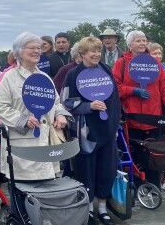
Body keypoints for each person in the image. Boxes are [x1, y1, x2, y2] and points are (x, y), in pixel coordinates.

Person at [0, 32, 70, 181]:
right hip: (22, 146)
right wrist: (24, 119)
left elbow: (56, 103)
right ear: (19, 52)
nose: (37, 51)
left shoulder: (44, 77)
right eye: (31, 48)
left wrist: (60, 115)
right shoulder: (9, 78)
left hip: (45, 143)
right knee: (23, 192)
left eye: (38, 48)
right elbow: (0, 107)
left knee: (46, 188)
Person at [61, 37, 121, 225]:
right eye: (92, 51)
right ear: (82, 54)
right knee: (86, 170)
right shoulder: (72, 74)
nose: (96, 54)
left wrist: (115, 125)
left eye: (98, 51)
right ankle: (87, 210)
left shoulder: (106, 70)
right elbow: (66, 103)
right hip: (85, 132)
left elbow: (115, 101)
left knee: (106, 169)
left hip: (107, 129)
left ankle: (102, 208)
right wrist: (88, 106)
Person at [112, 30, 165, 188]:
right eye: (138, 41)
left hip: (154, 117)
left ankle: (154, 184)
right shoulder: (121, 63)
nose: (142, 44)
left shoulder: (154, 63)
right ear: (130, 44)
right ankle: (138, 185)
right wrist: (133, 91)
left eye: (144, 40)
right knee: (136, 153)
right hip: (133, 118)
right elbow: (115, 87)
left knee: (153, 153)